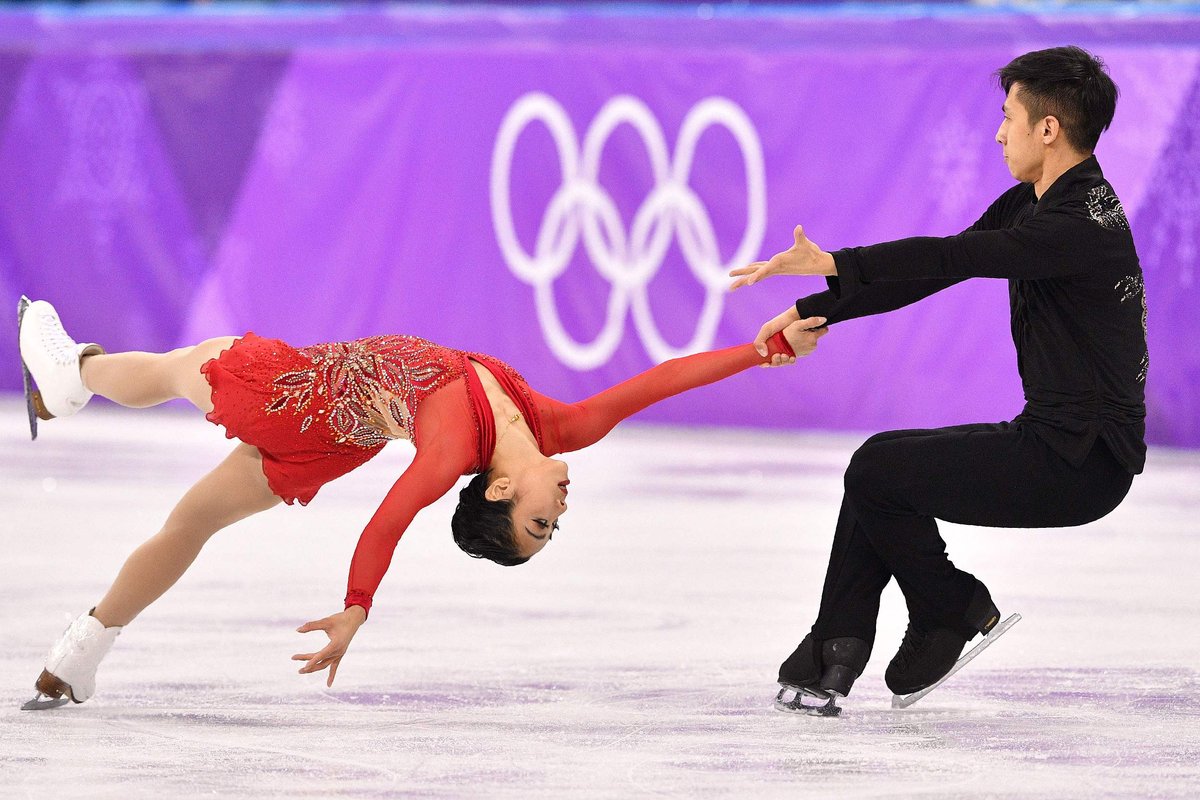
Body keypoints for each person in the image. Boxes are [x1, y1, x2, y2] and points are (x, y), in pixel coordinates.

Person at [17, 295, 827, 707]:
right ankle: (81, 651)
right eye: (556, 525)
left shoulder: (448, 451)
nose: (563, 508)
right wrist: (757, 353)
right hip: (338, 432)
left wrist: (356, 605)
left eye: (541, 523)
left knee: (174, 368)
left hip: (292, 392)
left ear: (501, 491)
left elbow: (390, 518)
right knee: (190, 524)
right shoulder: (558, 425)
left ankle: (73, 373)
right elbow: (656, 383)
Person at [729, 46, 1147, 708]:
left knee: (877, 472)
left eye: (1008, 115)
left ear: (1049, 128)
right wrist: (813, 309)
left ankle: (949, 605)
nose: (998, 131)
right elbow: (937, 271)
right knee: (883, 468)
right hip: (1057, 442)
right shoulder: (1035, 204)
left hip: (1081, 461)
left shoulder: (1079, 224)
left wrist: (837, 260)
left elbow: (955, 252)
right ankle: (831, 656)